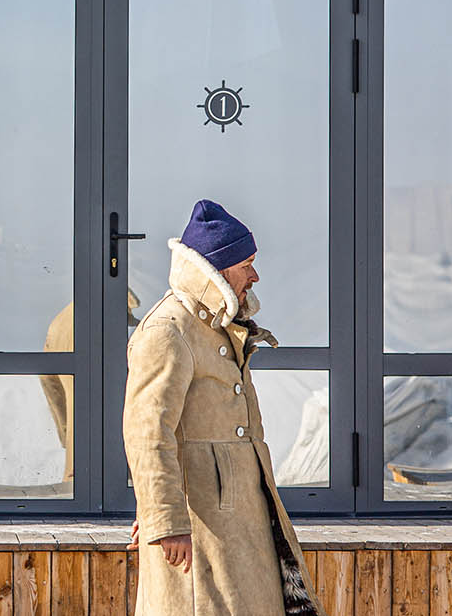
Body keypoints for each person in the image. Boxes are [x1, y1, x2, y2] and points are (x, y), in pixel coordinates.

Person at [123, 200, 323, 616]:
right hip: (201, 533)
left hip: (237, 524)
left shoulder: (216, 326)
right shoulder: (168, 330)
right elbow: (147, 431)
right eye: (246, 263)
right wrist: (163, 517)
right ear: (218, 268)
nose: (255, 275)